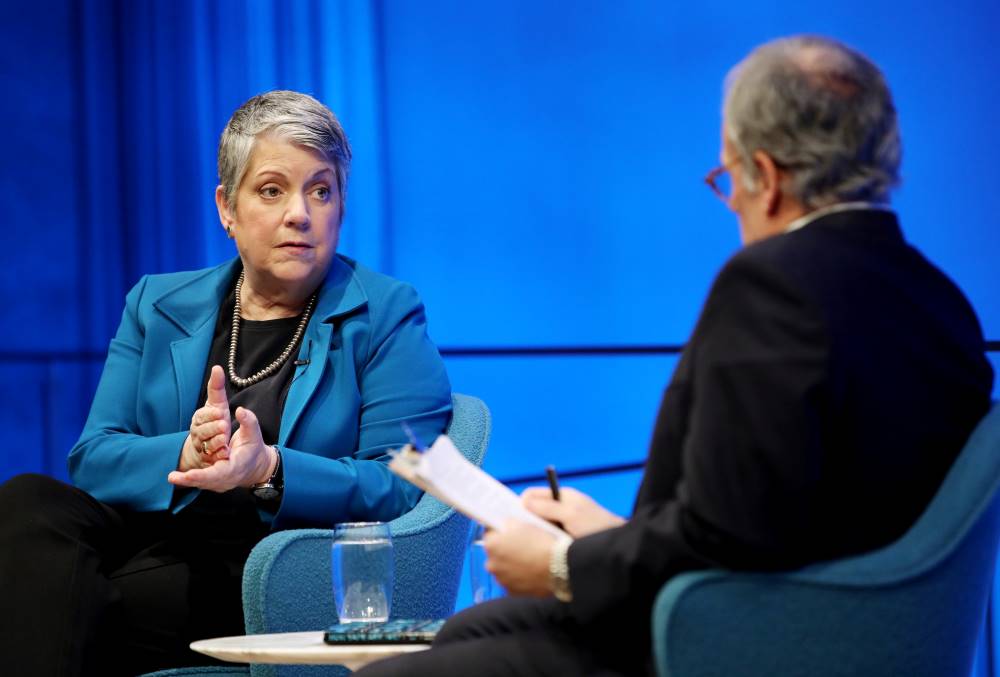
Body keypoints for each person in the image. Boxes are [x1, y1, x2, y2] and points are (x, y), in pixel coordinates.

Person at [355, 35, 994, 677]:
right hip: (841, 633)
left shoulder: (773, 284)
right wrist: (609, 535)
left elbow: (732, 538)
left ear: (766, 178)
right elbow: (789, 518)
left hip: (733, 644)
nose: (734, 202)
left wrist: (561, 564)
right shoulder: (944, 306)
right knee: (471, 627)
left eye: (729, 179)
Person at [0, 90, 452, 676]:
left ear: (341, 206)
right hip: (151, 539)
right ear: (227, 209)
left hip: (277, 564)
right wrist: (185, 453)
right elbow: (95, 458)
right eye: (272, 190)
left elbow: (403, 483)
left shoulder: (386, 311)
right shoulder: (157, 303)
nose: (300, 213)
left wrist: (270, 470)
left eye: (321, 190)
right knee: (29, 504)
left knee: (57, 605)